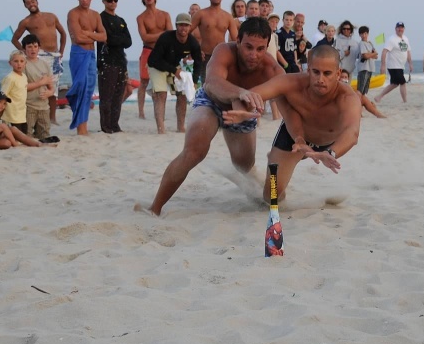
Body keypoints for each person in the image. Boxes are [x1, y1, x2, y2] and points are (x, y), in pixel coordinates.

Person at [146, 17, 284, 216]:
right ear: (238, 41)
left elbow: (293, 99)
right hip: (211, 102)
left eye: (260, 49)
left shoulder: (272, 69)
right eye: (248, 47)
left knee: (244, 165)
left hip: (243, 113)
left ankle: (254, 184)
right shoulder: (224, 51)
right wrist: (240, 93)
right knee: (194, 151)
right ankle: (155, 208)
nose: (253, 55)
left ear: (267, 47)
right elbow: (212, 82)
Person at [226, 45, 360, 203]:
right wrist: (242, 110)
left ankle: (275, 161)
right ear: (308, 69)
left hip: (327, 147)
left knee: (273, 190)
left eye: (327, 73)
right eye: (316, 72)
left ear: (338, 74)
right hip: (293, 138)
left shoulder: (347, 97)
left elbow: (352, 132)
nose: (320, 79)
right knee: (271, 196)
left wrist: (330, 153)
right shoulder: (291, 83)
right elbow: (249, 96)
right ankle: (274, 164)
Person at [11, 0, 67, 124]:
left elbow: (63, 33)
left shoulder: (51, 16)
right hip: (40, 55)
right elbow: (14, 39)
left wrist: (62, 51)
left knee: (53, 87)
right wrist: (24, 52)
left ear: (37, 1)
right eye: (28, 3)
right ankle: (35, 115)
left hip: (55, 56)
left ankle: (52, 118)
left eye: (32, 1)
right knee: (39, 86)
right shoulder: (26, 22)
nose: (31, 4)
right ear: (25, 6)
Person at [147, 13, 203, 134]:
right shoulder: (166, 37)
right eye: (181, 25)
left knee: (182, 94)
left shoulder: (193, 43)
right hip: (157, 66)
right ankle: (161, 129)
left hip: (174, 66)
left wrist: (194, 81)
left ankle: (180, 127)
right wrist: (175, 70)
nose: (183, 28)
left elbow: (198, 62)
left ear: (190, 27)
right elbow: (152, 60)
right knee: (161, 94)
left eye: (186, 25)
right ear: (176, 26)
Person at [66, 0, 106, 135]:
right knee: (80, 88)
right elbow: (78, 38)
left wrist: (88, 34)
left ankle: (84, 128)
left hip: (91, 54)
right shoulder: (73, 13)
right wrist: (94, 36)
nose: (84, 0)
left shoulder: (95, 15)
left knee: (88, 89)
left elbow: (104, 36)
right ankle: (80, 129)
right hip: (78, 53)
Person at [98, 0, 132, 134]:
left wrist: (116, 40)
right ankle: (106, 126)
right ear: (103, 1)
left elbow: (128, 41)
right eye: (109, 0)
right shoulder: (101, 18)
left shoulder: (121, 20)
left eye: (115, 0)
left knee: (118, 95)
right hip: (107, 61)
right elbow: (107, 39)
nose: (113, 3)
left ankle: (115, 125)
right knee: (107, 96)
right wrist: (117, 40)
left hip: (121, 61)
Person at [136, 0, 173, 119]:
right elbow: (145, 38)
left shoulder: (165, 15)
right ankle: (141, 112)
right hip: (148, 50)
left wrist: (156, 36)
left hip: (162, 52)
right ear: (143, 0)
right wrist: (162, 34)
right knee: (144, 82)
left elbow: (170, 34)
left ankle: (160, 111)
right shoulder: (141, 18)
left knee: (161, 83)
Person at [191, 0, 238, 71]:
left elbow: (236, 39)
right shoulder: (201, 14)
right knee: (204, 79)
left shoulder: (228, 16)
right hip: (204, 56)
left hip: (222, 55)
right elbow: (186, 32)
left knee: (221, 79)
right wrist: (195, 50)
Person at [21, 34, 55, 139]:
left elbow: (51, 86)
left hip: (44, 107)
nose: (33, 49)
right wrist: (40, 83)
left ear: (39, 48)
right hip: (29, 106)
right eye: (29, 47)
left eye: (35, 46)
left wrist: (50, 93)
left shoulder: (45, 64)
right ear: (24, 49)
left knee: (44, 135)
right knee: (27, 135)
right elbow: (22, 87)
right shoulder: (23, 64)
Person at [375, 22, 412, 104]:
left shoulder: (405, 39)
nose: (400, 29)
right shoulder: (391, 39)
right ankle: (405, 101)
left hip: (401, 66)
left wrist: (410, 64)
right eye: (398, 27)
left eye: (401, 27)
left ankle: (379, 96)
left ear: (404, 29)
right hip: (393, 66)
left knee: (395, 84)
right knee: (402, 82)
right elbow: (384, 51)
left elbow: (408, 52)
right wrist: (383, 65)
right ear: (395, 29)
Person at [1, 50, 29, 133]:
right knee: (14, 136)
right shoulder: (10, 78)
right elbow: (3, 95)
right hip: (11, 115)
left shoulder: (24, 77)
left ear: (25, 63)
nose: (19, 64)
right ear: (10, 63)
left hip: (22, 114)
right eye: (16, 61)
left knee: (23, 135)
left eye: (22, 61)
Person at [356, 26, 378, 98]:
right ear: (359, 35)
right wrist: (372, 54)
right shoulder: (361, 43)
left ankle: (363, 101)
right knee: (361, 88)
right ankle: (358, 101)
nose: (364, 35)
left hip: (370, 68)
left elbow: (376, 56)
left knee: (366, 88)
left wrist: (370, 54)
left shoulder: (370, 43)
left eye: (365, 33)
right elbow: (365, 56)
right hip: (363, 68)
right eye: (362, 34)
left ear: (368, 34)